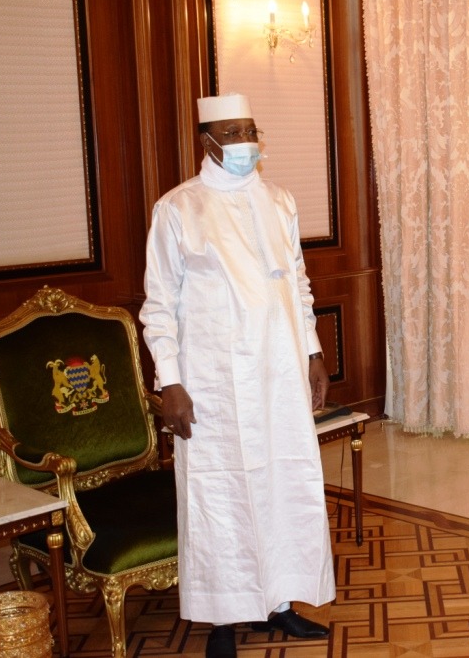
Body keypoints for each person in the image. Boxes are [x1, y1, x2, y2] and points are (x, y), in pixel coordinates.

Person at [140, 94, 335, 657]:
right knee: (222, 495)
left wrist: (314, 352)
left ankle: (280, 604)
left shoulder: (279, 201)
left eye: (251, 128)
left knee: (282, 486)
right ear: (208, 142)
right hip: (213, 385)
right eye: (233, 131)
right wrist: (168, 382)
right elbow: (158, 304)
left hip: (278, 376)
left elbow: (298, 283)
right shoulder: (178, 209)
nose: (247, 140)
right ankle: (223, 621)